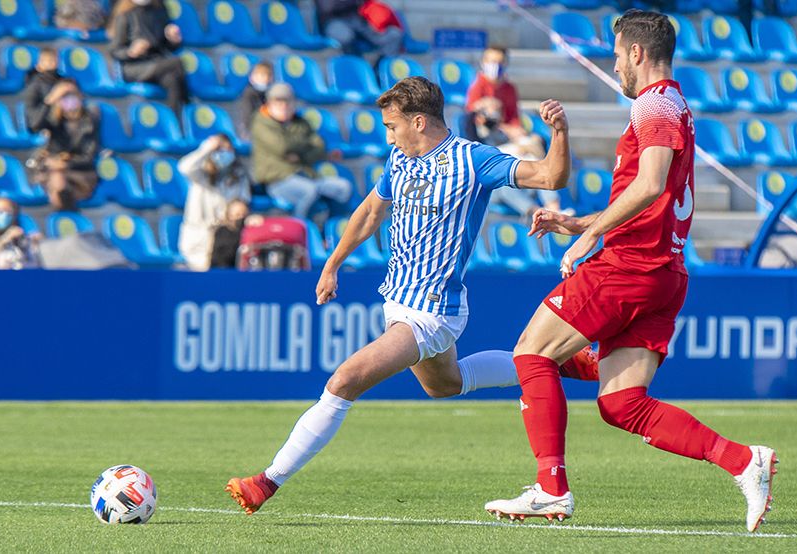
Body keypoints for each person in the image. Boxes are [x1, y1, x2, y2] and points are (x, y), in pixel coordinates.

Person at [225, 76, 598, 515]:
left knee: (344, 381)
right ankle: (546, 361)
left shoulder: (473, 160)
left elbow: (551, 174)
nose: (388, 135)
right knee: (446, 384)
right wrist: (332, 263)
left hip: (433, 312)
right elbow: (369, 212)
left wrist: (559, 133)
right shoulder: (400, 160)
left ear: (419, 122)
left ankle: (267, 481)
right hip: (398, 302)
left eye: (392, 125)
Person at [484, 10, 776, 533]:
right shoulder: (673, 105)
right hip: (662, 272)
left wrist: (594, 238)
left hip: (627, 268)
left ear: (637, 53)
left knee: (531, 352)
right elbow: (643, 201)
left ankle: (551, 489)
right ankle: (742, 460)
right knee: (621, 402)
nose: (614, 63)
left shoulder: (655, 104)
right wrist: (578, 223)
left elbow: (650, 186)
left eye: (617, 54)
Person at [251, 84, 351, 219]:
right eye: (278, 101)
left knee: (343, 188)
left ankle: (333, 232)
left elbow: (319, 147)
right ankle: (301, 231)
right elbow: (282, 147)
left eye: (287, 101)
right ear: (269, 103)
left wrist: (298, 154)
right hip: (277, 179)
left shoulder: (300, 122)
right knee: (309, 191)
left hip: (305, 174)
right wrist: (305, 146)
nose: (283, 106)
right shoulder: (261, 123)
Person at [465, 96, 561, 218]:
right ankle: (539, 214)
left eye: (497, 112)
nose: (495, 116)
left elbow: (533, 142)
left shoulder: (501, 132)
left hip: (517, 180)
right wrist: (477, 113)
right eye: (491, 112)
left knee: (541, 173)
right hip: (492, 188)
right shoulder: (475, 137)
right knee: (505, 187)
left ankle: (555, 210)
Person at [178, 135, 251, 272]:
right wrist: (206, 149)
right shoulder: (199, 174)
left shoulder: (239, 175)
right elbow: (184, 167)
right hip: (198, 236)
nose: (223, 153)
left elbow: (243, 202)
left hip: (225, 238)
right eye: (219, 149)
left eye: (227, 149)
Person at [30, 82, 100, 211]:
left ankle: (64, 214)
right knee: (57, 176)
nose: (69, 99)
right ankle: (64, 214)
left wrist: (66, 164)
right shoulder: (53, 120)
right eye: (64, 96)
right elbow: (34, 126)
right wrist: (50, 100)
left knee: (58, 175)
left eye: (72, 95)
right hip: (51, 173)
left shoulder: (89, 121)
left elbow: (89, 156)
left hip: (81, 173)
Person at [108, 0, 188, 114]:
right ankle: (188, 103)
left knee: (172, 79)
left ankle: (173, 120)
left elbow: (167, 47)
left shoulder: (160, 11)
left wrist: (173, 40)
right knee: (177, 62)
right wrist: (131, 51)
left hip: (158, 65)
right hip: (134, 67)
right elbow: (114, 50)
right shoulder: (125, 15)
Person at [465, 46, 528, 144]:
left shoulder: (509, 88)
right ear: (483, 62)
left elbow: (514, 116)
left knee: (534, 142)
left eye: (500, 62)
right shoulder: (478, 85)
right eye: (492, 61)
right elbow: (473, 116)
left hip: (509, 136)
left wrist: (517, 129)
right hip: (488, 139)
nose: (496, 65)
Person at [315, 0, 403, 59]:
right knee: (345, 37)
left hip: (357, 18)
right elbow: (328, 7)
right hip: (333, 21)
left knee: (393, 35)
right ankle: (356, 74)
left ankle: (378, 74)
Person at [23, 47, 72, 134]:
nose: (52, 64)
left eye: (55, 61)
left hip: (64, 129)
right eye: (48, 61)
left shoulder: (64, 82)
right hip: (44, 129)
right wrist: (51, 99)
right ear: (39, 66)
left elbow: (73, 113)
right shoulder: (33, 86)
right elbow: (34, 123)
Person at [0, 197, 40, 270]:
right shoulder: (7, 236)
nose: (3, 215)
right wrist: (4, 239)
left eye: (7, 211)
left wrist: (34, 241)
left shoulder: (22, 225)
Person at [237, 61, 274, 141]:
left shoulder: (272, 93)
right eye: (261, 75)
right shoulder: (249, 94)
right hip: (251, 131)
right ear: (252, 77)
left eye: (268, 75)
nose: (265, 78)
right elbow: (247, 117)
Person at [210, 199, 250, 269]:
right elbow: (220, 259)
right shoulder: (222, 233)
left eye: (243, 215)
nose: (241, 218)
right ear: (229, 215)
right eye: (238, 215)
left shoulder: (248, 231)